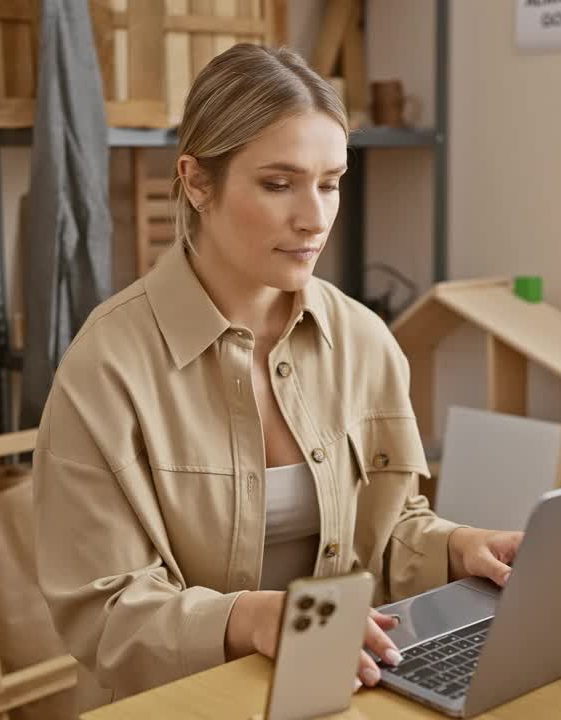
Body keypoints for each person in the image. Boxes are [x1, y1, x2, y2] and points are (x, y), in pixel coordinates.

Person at [32, 43, 523, 709]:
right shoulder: (106, 367)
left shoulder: (365, 341)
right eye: (278, 184)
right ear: (197, 181)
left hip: (345, 690)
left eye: (330, 182)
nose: (315, 218)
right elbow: (106, 613)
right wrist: (251, 620)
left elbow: (386, 531)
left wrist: (460, 548)